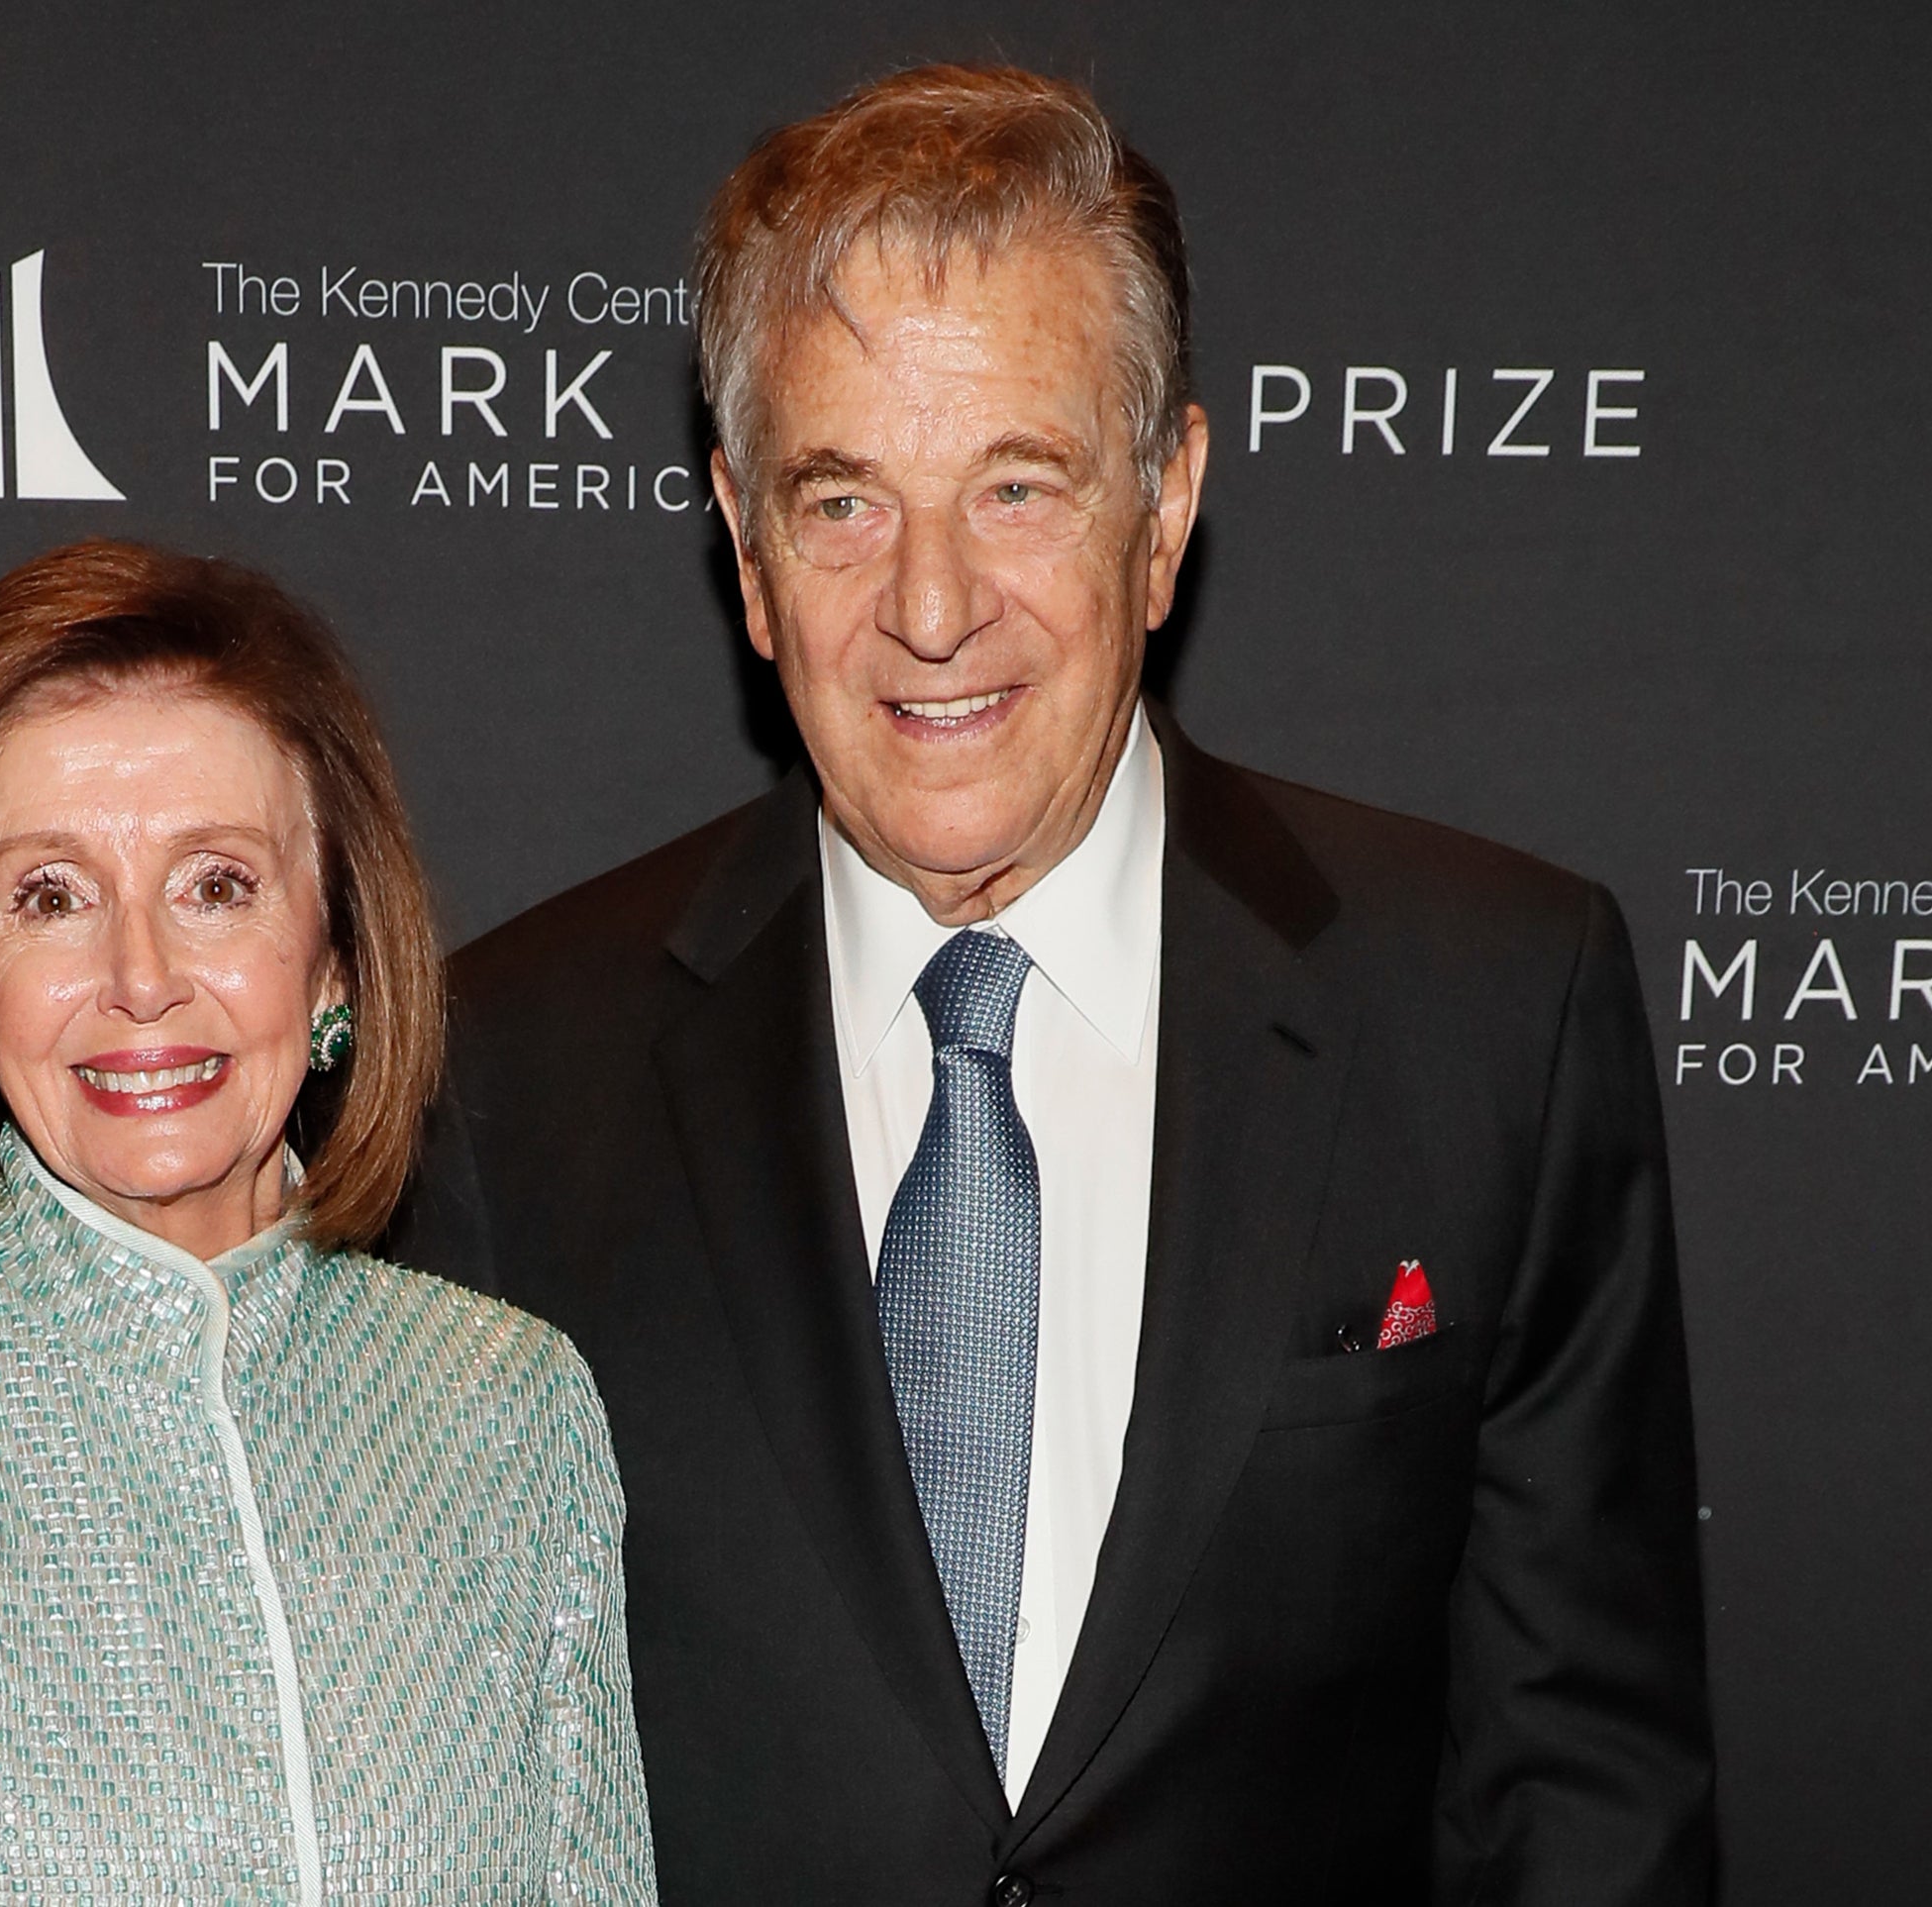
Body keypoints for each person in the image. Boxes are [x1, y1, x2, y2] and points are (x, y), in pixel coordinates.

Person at [392, 64, 1716, 1904]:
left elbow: (1582, 1791)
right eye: (841, 500)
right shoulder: (507, 1080)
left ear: (1162, 504)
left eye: (1016, 484)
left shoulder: (1491, 1004)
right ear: (746, 552)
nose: (930, 606)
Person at [0, 540, 657, 1902]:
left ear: (334, 953)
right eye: (50, 897)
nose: (140, 977)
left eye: (214, 882)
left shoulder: (510, 1405)